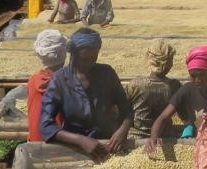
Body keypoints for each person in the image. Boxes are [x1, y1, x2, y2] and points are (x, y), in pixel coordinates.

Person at [39, 28, 133, 160]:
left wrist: (123, 130)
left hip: (107, 146)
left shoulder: (107, 73)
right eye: (84, 59)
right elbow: (45, 126)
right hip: (75, 149)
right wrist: (80, 140)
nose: (90, 63)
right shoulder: (60, 80)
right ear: (74, 55)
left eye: (94, 58)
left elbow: (127, 109)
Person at [145, 46, 207, 154]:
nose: (197, 80)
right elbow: (162, 118)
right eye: (192, 76)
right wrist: (153, 137)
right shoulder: (188, 90)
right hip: (200, 147)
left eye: (202, 75)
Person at [126, 40, 181, 136]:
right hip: (165, 136)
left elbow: (121, 109)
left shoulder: (136, 84)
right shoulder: (174, 86)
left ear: (150, 60)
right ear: (170, 64)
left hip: (136, 135)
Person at [28, 29, 69, 142]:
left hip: (34, 141)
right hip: (60, 143)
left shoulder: (33, 81)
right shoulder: (68, 82)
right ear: (64, 54)